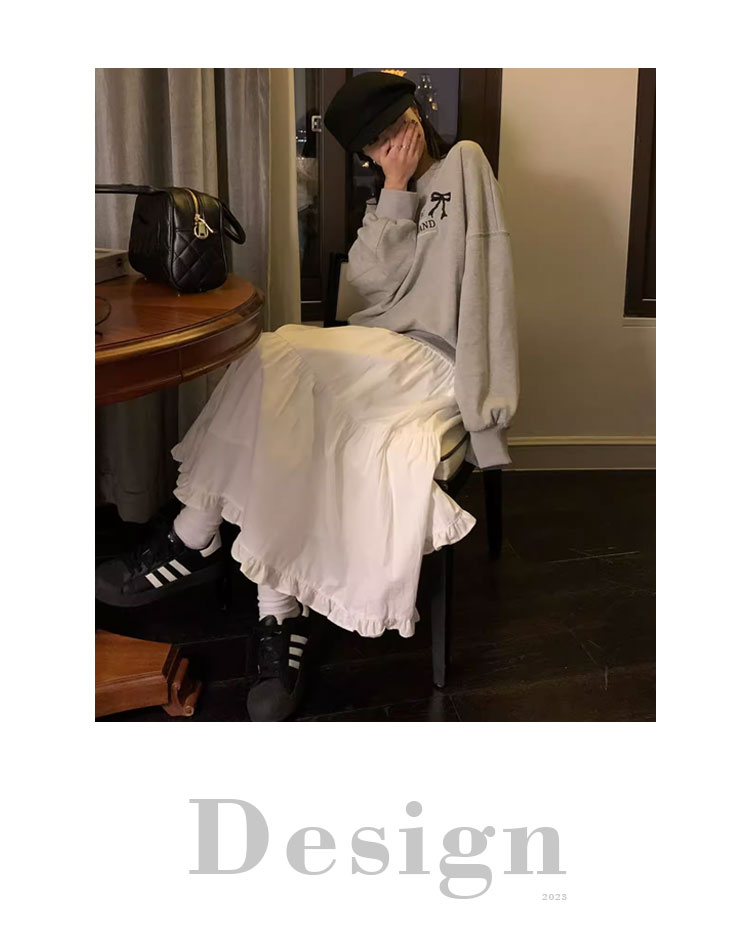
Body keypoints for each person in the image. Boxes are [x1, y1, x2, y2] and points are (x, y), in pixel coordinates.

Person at [95, 72, 520, 721]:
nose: (389, 148)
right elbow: (370, 285)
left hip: (436, 360)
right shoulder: (391, 194)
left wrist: (487, 414)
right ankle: (276, 611)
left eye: (393, 131)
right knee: (280, 399)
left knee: (277, 352)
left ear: (415, 115)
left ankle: (194, 537)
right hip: (383, 351)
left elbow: (491, 286)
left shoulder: (466, 163)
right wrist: (395, 190)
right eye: (374, 146)